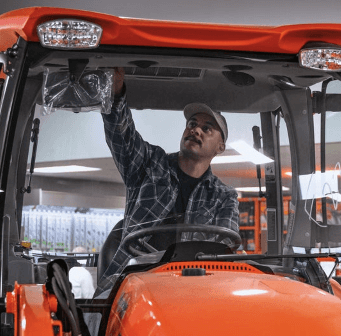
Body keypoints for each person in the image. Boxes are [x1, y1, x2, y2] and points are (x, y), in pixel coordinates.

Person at [95, 67, 240, 294]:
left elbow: (224, 250)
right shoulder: (150, 164)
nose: (196, 130)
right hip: (131, 282)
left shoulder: (223, 197)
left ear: (220, 147)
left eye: (207, 128)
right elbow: (121, 136)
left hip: (192, 289)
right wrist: (116, 95)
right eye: (192, 124)